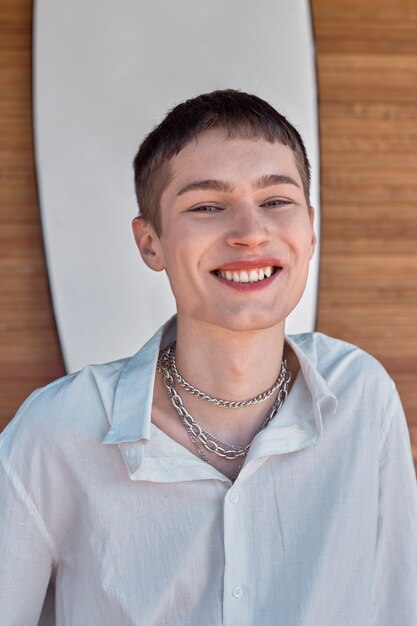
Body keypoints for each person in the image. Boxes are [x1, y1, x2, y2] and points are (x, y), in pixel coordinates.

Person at [0, 89, 416, 626]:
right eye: (206, 207)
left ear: (310, 230)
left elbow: (397, 608)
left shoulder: (364, 397)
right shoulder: (57, 432)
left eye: (275, 201)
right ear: (150, 243)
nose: (248, 233)